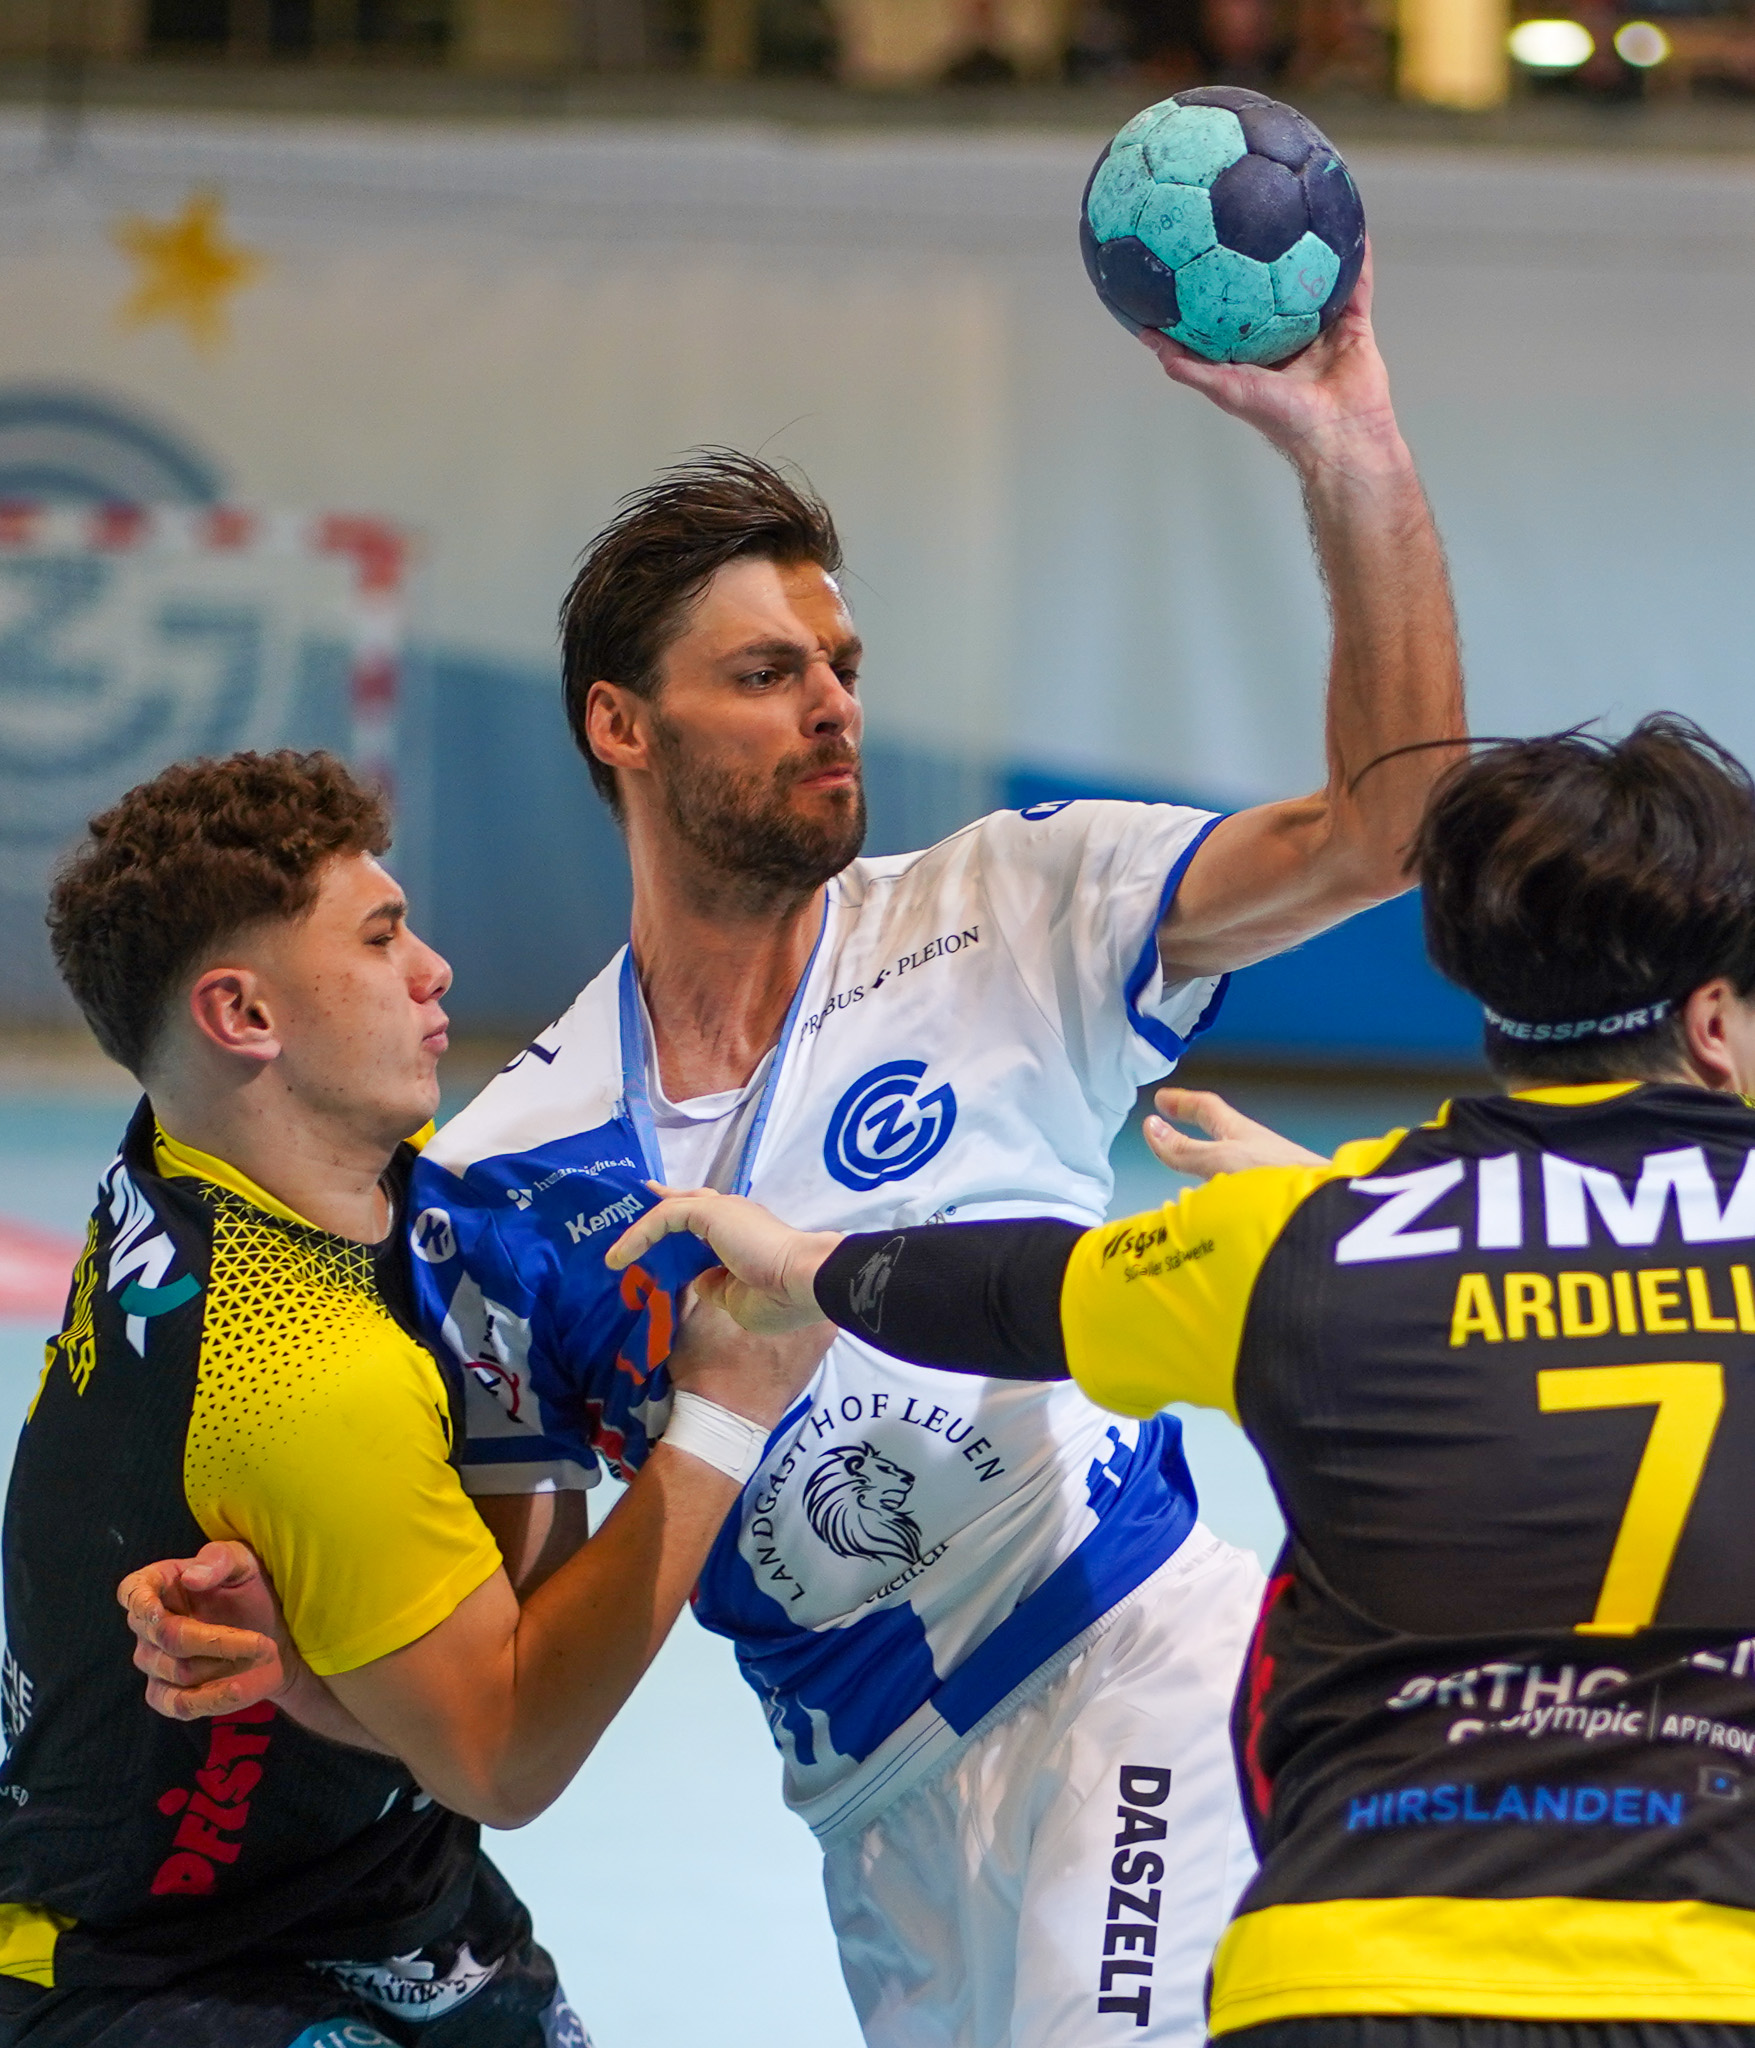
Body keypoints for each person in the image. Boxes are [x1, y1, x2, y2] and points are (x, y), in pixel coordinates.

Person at [128, 249, 1465, 2048]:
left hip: (1126, 1671)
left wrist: (1350, 446)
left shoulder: (1011, 907)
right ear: (623, 726)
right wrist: (300, 1673)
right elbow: (512, 1667)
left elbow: (1388, 829)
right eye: (766, 673)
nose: (833, 701)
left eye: (840, 663)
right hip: (872, 1821)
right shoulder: (509, 1166)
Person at [610, 713, 1755, 2048]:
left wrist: (808, 1259)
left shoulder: (1302, 1241)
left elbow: (1012, 1294)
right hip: (1707, 1974)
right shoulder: (1322, 1217)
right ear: (1715, 1024)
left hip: (1347, 1980)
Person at [6, 749, 821, 2048]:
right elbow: (501, 1758)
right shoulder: (303, 1380)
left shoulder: (201, 1159)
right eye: (382, 937)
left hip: (370, 1888)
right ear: (244, 1016)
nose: (435, 968)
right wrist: (722, 1421)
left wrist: (321, 1673)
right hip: (151, 1970)